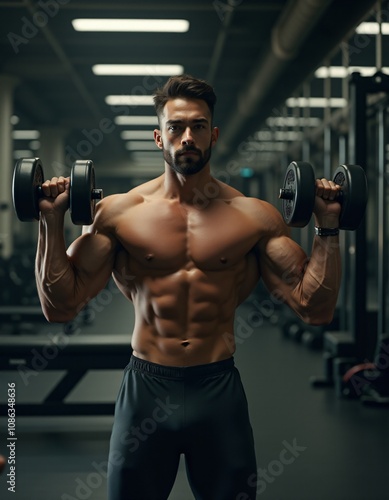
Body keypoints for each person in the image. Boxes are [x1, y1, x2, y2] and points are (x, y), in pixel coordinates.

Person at [36, 74, 341, 500]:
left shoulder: (254, 217)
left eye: (198, 126)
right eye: (176, 127)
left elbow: (315, 309)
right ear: (159, 137)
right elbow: (61, 307)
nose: (187, 137)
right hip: (145, 387)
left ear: (212, 134)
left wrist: (328, 227)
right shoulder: (117, 214)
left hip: (217, 390)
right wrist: (51, 221)